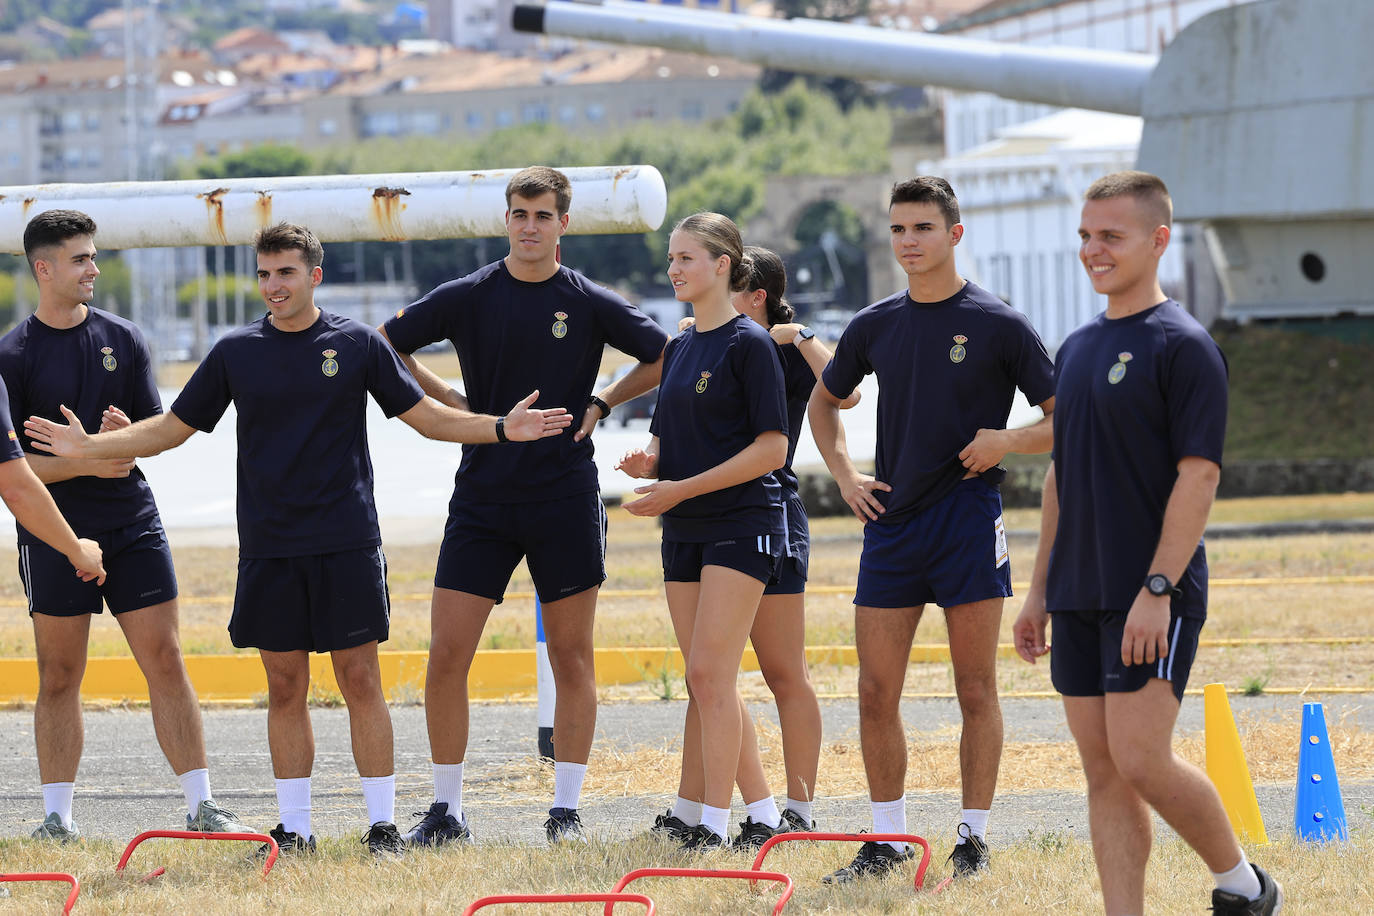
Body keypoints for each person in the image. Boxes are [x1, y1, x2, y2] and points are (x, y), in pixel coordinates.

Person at [25, 222, 572, 857]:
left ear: (314, 275)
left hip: (345, 542)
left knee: (360, 680)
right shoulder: (236, 351)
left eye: (285, 273)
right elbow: (170, 430)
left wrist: (502, 427)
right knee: (284, 687)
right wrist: (91, 446)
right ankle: (297, 828)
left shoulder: (358, 343)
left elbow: (429, 420)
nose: (271, 286)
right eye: (263, 274)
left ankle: (382, 825)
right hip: (269, 547)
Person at [1012, 171, 1281, 915]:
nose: (1093, 251)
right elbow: (1063, 473)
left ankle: (1244, 885)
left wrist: (1158, 591)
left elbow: (1198, 478)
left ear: (1158, 240)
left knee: (1140, 759)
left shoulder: (1185, 347)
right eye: (1085, 237)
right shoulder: (1077, 346)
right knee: (1103, 771)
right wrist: (1038, 591)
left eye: (1111, 237)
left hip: (1151, 593)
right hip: (1077, 590)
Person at [379, 166, 668, 846]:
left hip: (564, 495)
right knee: (448, 654)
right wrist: (451, 403)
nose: (529, 226)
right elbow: (386, 343)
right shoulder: (469, 294)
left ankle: (565, 812)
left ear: (564, 223)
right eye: (519, 214)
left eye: (542, 215)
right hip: (481, 495)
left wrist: (603, 402)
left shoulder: (592, 300)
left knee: (571, 657)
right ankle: (447, 810)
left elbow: (665, 354)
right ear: (505, 220)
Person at [809, 177, 1055, 882]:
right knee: (874, 691)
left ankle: (972, 839)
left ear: (954, 234)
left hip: (969, 523)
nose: (908, 242)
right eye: (897, 230)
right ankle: (886, 840)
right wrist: (846, 477)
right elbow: (824, 408)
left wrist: (1005, 441)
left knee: (975, 689)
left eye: (921, 228)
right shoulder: (875, 323)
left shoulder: (999, 323)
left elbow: (1063, 418)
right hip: (892, 527)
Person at [3, 209, 251, 841]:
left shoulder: (125, 338)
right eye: (81, 258)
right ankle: (56, 817)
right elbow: (14, 472)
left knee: (166, 658)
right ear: (44, 267)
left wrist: (120, 447)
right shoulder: (12, 355)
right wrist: (84, 457)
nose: (94, 268)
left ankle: (201, 805)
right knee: (59, 675)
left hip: (133, 522)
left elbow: (155, 434)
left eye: (94, 256)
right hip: (55, 533)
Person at [662, 247, 859, 848]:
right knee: (709, 675)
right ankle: (698, 805)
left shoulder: (773, 349)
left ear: (758, 298)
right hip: (709, 518)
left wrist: (800, 334)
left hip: (771, 514)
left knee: (781, 670)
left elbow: (841, 394)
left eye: (743, 295)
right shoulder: (712, 344)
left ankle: (797, 805)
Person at [616, 213, 788, 849]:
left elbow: (772, 449)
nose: (674, 269)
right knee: (703, 678)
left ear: (723, 265)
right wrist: (651, 462)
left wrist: (679, 489)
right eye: (671, 258)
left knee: (713, 676)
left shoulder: (752, 344)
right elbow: (665, 431)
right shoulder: (682, 344)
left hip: (742, 523)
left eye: (686, 258)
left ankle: (712, 829)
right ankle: (764, 814)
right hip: (682, 524)